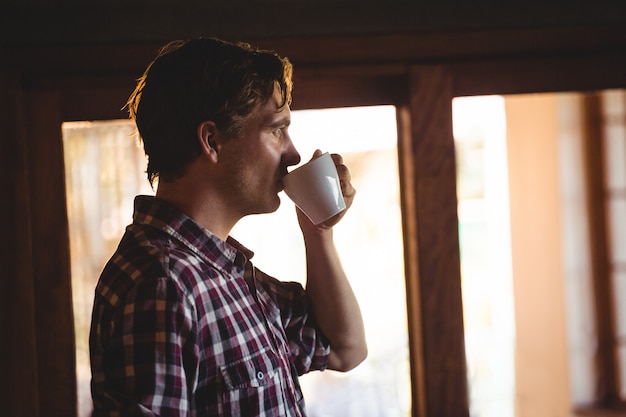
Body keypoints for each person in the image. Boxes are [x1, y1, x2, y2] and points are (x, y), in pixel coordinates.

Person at [89, 37, 367, 416]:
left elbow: (343, 348)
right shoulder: (162, 283)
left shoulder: (223, 272)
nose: (294, 152)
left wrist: (318, 231)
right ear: (212, 140)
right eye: (276, 130)